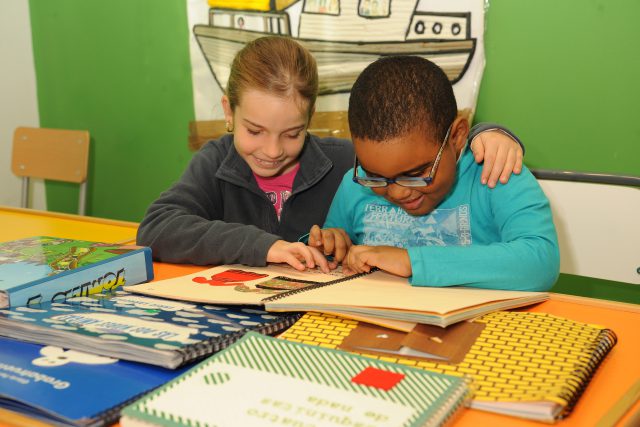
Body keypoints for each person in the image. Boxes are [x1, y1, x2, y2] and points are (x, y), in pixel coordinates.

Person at [137, 36, 526, 273]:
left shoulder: (348, 164)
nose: (272, 151)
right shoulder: (217, 161)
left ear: (311, 118)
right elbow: (157, 228)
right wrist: (263, 246)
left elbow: (409, 147)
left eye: (292, 133)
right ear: (228, 112)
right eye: (254, 131)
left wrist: (487, 133)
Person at [309, 56, 559, 291]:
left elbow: (540, 262)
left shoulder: (496, 172)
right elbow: (335, 251)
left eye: (417, 172)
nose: (397, 191)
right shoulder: (355, 185)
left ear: (457, 136)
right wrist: (331, 244)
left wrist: (412, 261)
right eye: (375, 175)